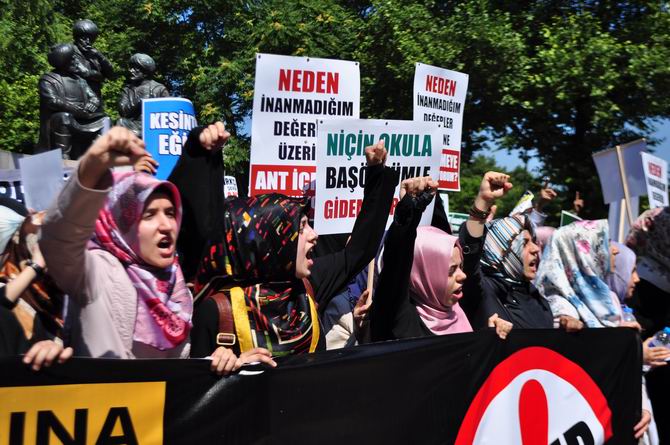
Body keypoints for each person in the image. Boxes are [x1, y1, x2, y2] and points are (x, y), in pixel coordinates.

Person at [187, 141, 397, 371]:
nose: (314, 235)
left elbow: (359, 251)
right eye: (302, 227)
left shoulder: (308, 285)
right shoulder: (217, 312)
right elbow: (193, 389)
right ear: (272, 242)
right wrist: (228, 369)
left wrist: (376, 173)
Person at [40, 126, 194, 359]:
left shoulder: (177, 285)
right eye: (149, 215)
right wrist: (91, 168)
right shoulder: (97, 272)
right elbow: (59, 240)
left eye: (170, 213)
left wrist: (221, 361)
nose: (166, 225)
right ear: (122, 226)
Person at [371, 176, 513, 342]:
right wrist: (409, 209)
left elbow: (471, 257)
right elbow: (396, 262)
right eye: (451, 270)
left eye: (460, 267)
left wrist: (487, 338)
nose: (463, 276)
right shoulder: (399, 317)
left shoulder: (459, 310)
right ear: (425, 275)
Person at [458, 172, 554, 329]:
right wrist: (483, 201)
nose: (536, 249)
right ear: (500, 251)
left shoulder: (534, 294)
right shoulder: (482, 290)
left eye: (534, 242)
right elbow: (470, 250)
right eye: (524, 243)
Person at [117, 53, 170, 137]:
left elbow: (168, 113)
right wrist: (140, 100)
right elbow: (123, 111)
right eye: (131, 68)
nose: (131, 71)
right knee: (121, 122)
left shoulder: (159, 89)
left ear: (145, 71)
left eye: (135, 68)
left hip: (153, 126)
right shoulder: (127, 90)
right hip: (132, 127)